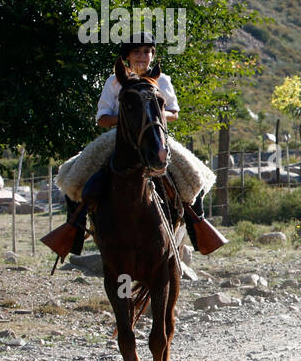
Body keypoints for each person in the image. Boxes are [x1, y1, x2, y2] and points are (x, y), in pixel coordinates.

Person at [44, 32, 210, 256]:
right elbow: (102, 119)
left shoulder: (162, 80)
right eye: (136, 52)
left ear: (152, 55)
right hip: (120, 137)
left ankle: (197, 229)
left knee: (192, 173)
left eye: (147, 51)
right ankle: (75, 232)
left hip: (155, 135)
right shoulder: (113, 81)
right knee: (73, 173)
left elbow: (174, 112)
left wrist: (154, 114)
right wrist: (126, 117)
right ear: (127, 57)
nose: (142, 56)